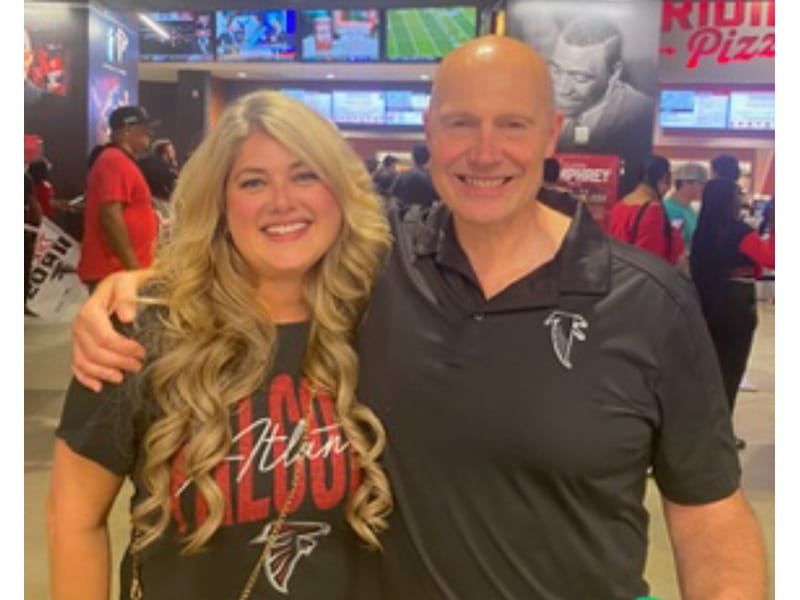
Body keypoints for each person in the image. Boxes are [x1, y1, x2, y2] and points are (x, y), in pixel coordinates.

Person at [71, 36, 767, 600]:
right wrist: (136, 289)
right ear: (430, 131)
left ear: (552, 133)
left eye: (514, 125)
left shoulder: (648, 301)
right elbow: (268, 252)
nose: (485, 151)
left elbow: (709, 517)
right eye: (461, 123)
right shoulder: (382, 267)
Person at [48, 91, 392, 600]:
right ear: (221, 202)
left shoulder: (385, 320)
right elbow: (72, 518)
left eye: (305, 175)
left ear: (339, 191)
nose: (282, 201)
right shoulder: (143, 329)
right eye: (253, 181)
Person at [690, 178, 775, 451]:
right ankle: (720, 433)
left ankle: (698, 430)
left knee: (707, 370)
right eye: (737, 194)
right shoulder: (739, 231)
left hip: (707, 301)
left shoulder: (703, 231)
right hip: (736, 305)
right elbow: (771, 258)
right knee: (730, 370)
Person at [548, 17, 654, 194]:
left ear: (614, 74)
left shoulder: (640, 113)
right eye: (556, 70)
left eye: (580, 77)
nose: (562, 88)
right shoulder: (535, 103)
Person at [77, 106, 160, 293]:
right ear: (127, 130)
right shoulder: (114, 161)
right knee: (118, 322)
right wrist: (133, 268)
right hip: (115, 272)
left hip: (120, 271)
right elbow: (110, 216)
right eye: (144, 127)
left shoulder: (120, 161)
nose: (149, 132)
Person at [608, 155, 685, 265]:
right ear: (664, 178)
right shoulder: (652, 210)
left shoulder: (620, 205)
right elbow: (650, 259)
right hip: (643, 277)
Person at [664, 162, 708, 252]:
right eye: (701, 184)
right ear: (686, 183)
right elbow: (674, 243)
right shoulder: (672, 210)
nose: (704, 189)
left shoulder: (689, 209)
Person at [390, 144, 438, 210]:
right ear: (429, 159)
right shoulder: (431, 178)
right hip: (425, 215)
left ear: (414, 158)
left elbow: (393, 194)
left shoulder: (401, 175)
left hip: (403, 215)